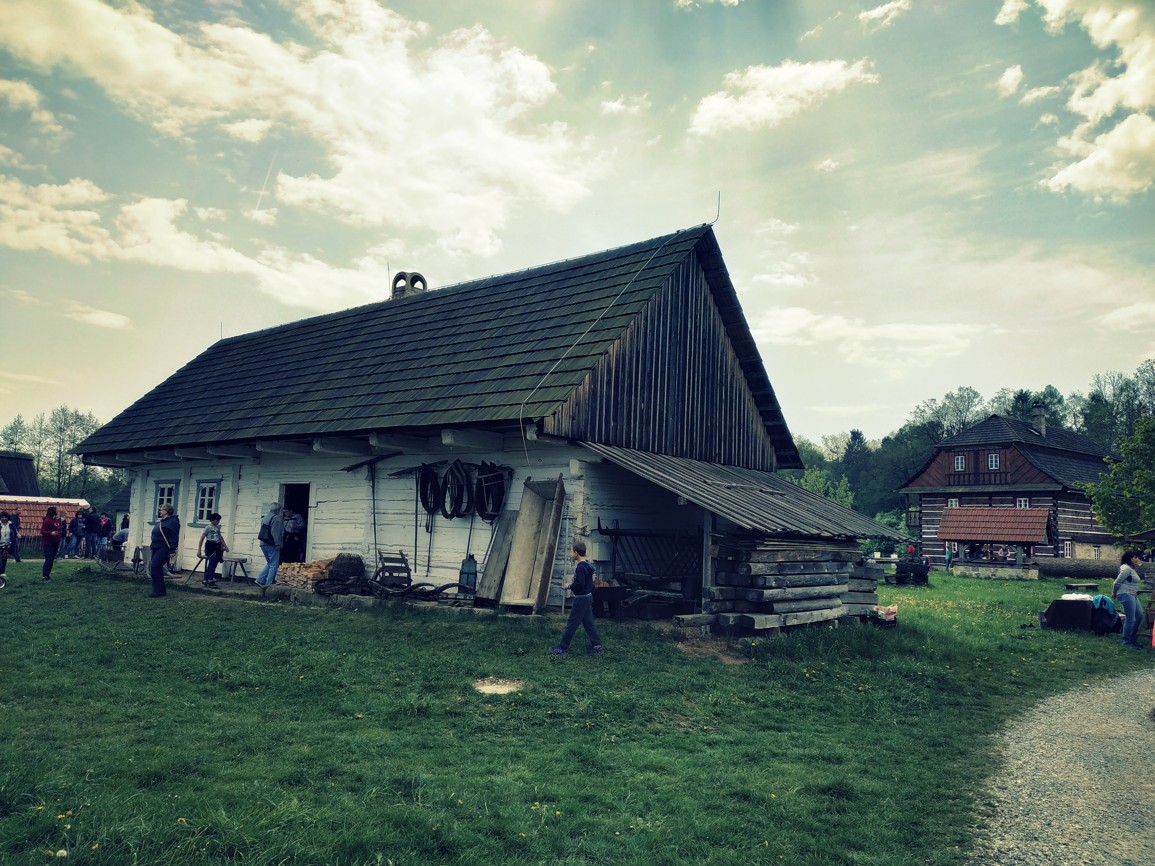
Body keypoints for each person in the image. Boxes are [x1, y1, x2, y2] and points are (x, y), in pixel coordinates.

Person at [550, 541, 604, 656]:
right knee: (588, 622)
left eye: (571, 551)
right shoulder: (588, 565)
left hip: (581, 599)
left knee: (572, 623)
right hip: (588, 597)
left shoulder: (580, 567)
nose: (570, 554)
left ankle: (563, 648)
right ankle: (597, 646)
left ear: (576, 552)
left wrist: (568, 586)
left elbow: (579, 584)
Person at [1112, 549, 1144, 649]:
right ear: (1129, 558)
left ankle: (1132, 638)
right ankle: (1126, 642)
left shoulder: (1131, 568)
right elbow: (1117, 582)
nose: (1137, 559)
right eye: (1135, 557)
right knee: (1131, 618)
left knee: (1139, 616)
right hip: (1125, 594)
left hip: (1132, 594)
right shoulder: (1125, 568)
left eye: (1138, 557)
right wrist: (1114, 592)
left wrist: (1138, 565)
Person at [148, 504, 180, 597]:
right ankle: (158, 589)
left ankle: (159, 590)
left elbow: (174, 536)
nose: (159, 511)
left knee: (155, 567)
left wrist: (172, 549)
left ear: (166, 511)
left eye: (161, 510)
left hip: (164, 548)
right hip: (156, 547)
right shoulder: (162, 521)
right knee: (154, 568)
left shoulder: (173, 522)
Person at [197, 513, 229, 587]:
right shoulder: (208, 528)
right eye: (216, 520)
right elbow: (202, 539)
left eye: (219, 520)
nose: (218, 522)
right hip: (210, 546)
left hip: (217, 546)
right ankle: (210, 580)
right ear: (212, 520)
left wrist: (225, 546)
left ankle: (206, 580)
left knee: (212, 564)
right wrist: (199, 550)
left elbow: (220, 538)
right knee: (213, 562)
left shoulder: (217, 528)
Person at [256, 503, 284, 586]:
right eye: (280, 510)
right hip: (271, 544)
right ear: (277, 510)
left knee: (269, 563)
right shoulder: (276, 518)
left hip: (263, 543)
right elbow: (275, 533)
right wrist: (278, 544)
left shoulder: (265, 517)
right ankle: (269, 583)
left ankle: (260, 580)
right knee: (274, 564)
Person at [40, 506, 63, 581]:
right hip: (48, 542)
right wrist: (50, 533)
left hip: (55, 542)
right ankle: (44, 576)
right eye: (57, 510)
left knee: (52, 559)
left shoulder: (56, 520)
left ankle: (48, 575)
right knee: (48, 559)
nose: (58, 511)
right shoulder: (47, 520)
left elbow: (58, 528)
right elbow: (42, 531)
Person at [0, 511, 13, 581]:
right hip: (0, 543)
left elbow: (14, 532)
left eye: (5, 517)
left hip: (7, 545)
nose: (4, 518)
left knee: (4, 559)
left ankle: (2, 573)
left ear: (8, 518)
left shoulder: (10, 524)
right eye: (2, 517)